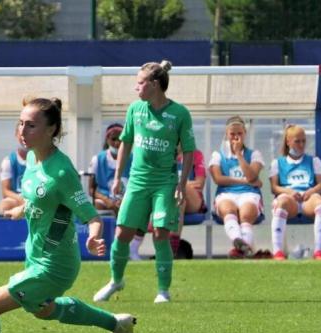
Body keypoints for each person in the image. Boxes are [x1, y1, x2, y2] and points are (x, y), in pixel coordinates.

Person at [0, 97, 136, 333]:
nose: (22, 131)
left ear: (51, 130)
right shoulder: (33, 157)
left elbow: (91, 216)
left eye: (31, 125)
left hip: (55, 264)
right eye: (21, 123)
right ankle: (116, 323)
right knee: (44, 310)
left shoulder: (62, 172)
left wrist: (94, 237)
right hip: (36, 256)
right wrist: (22, 210)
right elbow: (42, 199)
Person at [93, 60, 196, 305]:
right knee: (122, 234)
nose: (135, 87)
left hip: (165, 183)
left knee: (160, 233)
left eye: (140, 82)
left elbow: (189, 151)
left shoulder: (179, 114)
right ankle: (115, 280)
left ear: (155, 85)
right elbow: (126, 142)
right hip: (138, 183)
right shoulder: (135, 110)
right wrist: (118, 177)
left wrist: (181, 185)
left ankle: (163, 291)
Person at [269, 125, 321, 260]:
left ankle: (319, 251)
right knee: (281, 202)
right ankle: (277, 252)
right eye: (297, 141)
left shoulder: (314, 161)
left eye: (303, 141)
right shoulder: (277, 163)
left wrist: (311, 191)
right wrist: (289, 191)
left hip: (308, 199)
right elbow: (274, 187)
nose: (301, 145)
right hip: (290, 201)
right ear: (288, 141)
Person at [209, 116, 264, 258]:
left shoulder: (254, 154)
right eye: (232, 134)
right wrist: (245, 181)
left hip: (249, 194)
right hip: (226, 194)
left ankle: (240, 248)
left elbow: (252, 175)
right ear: (226, 134)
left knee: (246, 214)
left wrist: (239, 154)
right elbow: (218, 179)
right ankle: (241, 245)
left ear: (244, 134)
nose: (236, 137)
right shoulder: (218, 155)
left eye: (239, 133)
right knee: (228, 210)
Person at [87, 123, 130, 214]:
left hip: (127, 199)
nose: (117, 143)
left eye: (120, 139)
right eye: (113, 139)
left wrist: (124, 200)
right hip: (105, 201)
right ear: (107, 140)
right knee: (99, 204)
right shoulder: (97, 160)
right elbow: (91, 190)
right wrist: (107, 200)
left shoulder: (134, 160)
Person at [0, 128, 27, 212]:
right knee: (4, 205)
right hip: (17, 199)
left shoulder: (40, 159)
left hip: (35, 198)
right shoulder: (8, 161)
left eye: (27, 134)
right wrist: (21, 199)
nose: (24, 138)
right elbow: (5, 191)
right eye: (21, 134)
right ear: (16, 135)